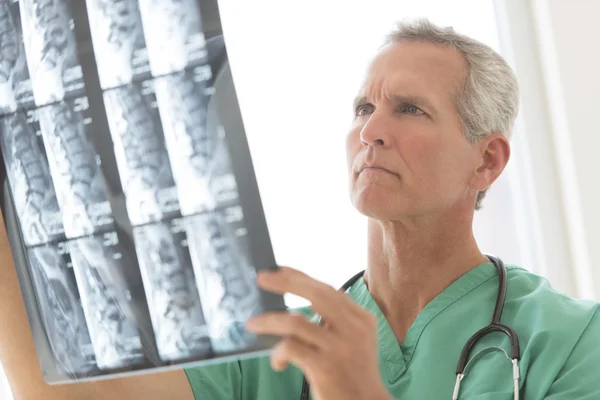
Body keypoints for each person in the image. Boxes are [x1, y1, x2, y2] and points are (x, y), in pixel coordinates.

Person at [1, 18, 599, 400]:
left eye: (410, 109)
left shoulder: (572, 341)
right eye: (363, 109)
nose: (372, 132)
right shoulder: (276, 343)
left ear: (487, 161)